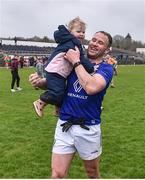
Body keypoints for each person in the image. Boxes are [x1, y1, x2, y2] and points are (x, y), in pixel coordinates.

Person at [29, 30, 114, 178]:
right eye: (94, 40)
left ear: (106, 50)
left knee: (92, 173)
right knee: (57, 174)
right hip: (65, 124)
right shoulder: (73, 59)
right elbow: (58, 84)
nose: (95, 44)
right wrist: (40, 82)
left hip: (88, 127)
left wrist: (76, 61)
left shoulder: (105, 68)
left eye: (100, 43)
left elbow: (91, 87)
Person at [33, 17, 94, 117]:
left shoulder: (71, 42)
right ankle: (40, 102)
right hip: (55, 71)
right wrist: (91, 68)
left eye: (83, 32)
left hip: (59, 72)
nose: (82, 34)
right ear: (70, 32)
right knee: (57, 92)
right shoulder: (73, 44)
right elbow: (81, 59)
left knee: (64, 91)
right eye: (78, 31)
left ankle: (58, 109)